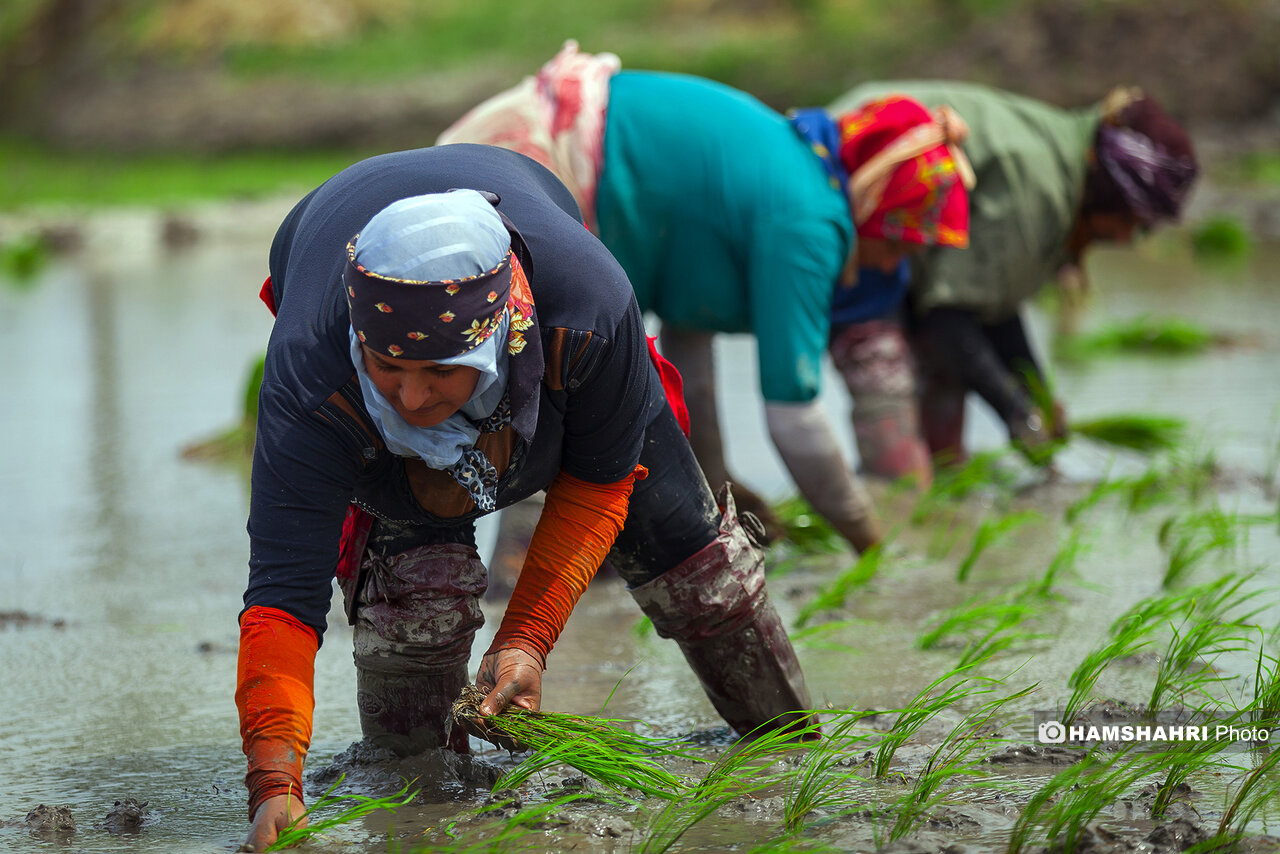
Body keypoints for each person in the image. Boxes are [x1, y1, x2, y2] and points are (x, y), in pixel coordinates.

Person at [236, 144, 816, 850]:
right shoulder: (314, 371)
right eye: (388, 367)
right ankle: (422, 816)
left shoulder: (588, 310)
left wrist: (526, 642)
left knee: (699, 574)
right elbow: (281, 596)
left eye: (439, 374)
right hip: (362, 396)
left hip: (551, 350)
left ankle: (795, 754)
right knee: (416, 606)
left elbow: (600, 484)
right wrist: (274, 785)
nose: (413, 398)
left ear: (491, 341)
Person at [437, 43, 972, 559]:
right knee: (545, 406)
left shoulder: (785, 164)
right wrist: (869, 541)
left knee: (561, 412)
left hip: (512, 148)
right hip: (534, 166)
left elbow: (686, 354)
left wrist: (716, 489)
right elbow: (795, 419)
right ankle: (514, 594)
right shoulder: (809, 220)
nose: (889, 266)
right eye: (897, 243)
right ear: (875, 200)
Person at [826, 81, 1199, 473]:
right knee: (885, 385)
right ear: (1108, 190)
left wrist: (1035, 393)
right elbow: (950, 317)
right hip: (854, 206)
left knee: (946, 402)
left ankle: (933, 500)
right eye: (1131, 223)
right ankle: (890, 500)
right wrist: (1017, 413)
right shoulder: (1039, 186)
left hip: (893, 239)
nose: (1125, 239)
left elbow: (990, 304)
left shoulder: (1060, 164)